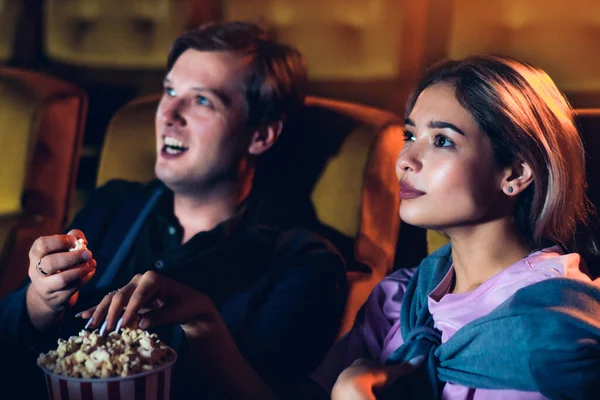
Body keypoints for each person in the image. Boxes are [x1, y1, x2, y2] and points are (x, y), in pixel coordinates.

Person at [0, 21, 347, 399]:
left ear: (261, 135)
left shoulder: (306, 263)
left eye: (202, 100)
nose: (168, 113)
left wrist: (204, 325)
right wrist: (40, 299)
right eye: (169, 90)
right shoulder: (113, 204)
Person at [309, 55, 600, 399]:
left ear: (515, 173)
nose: (404, 160)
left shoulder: (555, 329)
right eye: (410, 134)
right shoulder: (400, 298)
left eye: (442, 140)